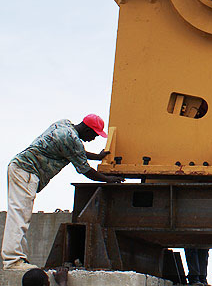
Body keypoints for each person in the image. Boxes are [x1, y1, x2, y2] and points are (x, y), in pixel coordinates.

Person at [2, 115, 124, 270]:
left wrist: (98, 157)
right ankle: (13, 261)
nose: (94, 138)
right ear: (87, 129)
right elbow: (85, 170)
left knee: (21, 214)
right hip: (26, 171)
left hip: (21, 168)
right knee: (19, 215)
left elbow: (75, 151)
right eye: (94, 134)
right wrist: (108, 179)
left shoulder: (64, 125)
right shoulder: (70, 138)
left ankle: (17, 258)